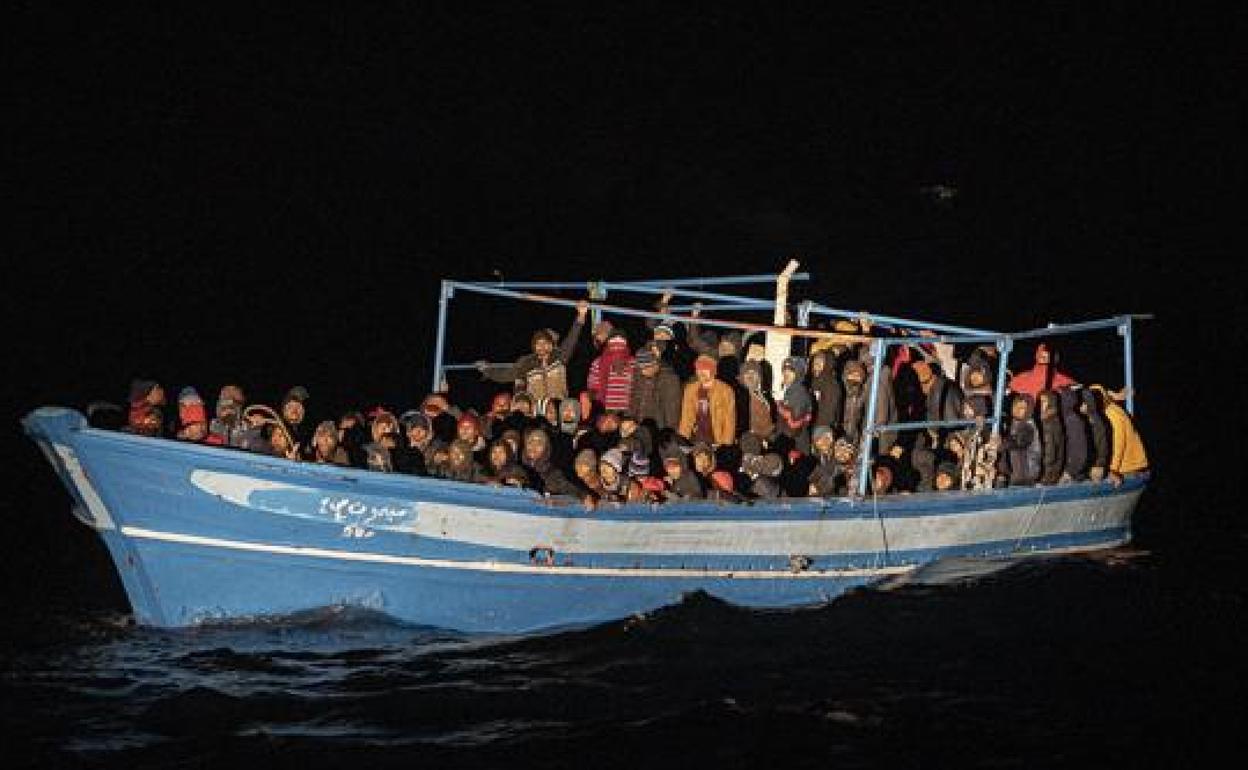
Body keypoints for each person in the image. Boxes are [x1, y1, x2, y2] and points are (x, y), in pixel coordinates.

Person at [479, 300, 589, 401]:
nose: (542, 346)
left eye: (545, 343)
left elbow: (571, 340)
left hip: (557, 408)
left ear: (551, 346)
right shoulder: (527, 363)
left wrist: (581, 316)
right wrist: (488, 370)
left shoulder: (560, 358)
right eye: (538, 344)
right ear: (534, 347)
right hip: (537, 412)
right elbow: (506, 374)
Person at [1088, 384, 1148, 483]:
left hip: (1127, 467)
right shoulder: (1106, 407)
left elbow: (1118, 444)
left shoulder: (1113, 417)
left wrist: (1113, 470)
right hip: (1122, 464)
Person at [678, 354, 736, 448]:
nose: (700, 372)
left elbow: (729, 421)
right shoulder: (690, 389)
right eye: (698, 369)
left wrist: (726, 445)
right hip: (695, 439)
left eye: (705, 369)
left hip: (717, 440)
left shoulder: (726, 391)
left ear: (712, 371)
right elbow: (686, 417)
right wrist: (682, 440)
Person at [629, 347, 682, 432]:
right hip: (639, 425)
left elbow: (672, 409)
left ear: (655, 363)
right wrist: (629, 418)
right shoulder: (638, 376)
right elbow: (633, 399)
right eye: (641, 368)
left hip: (658, 428)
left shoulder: (670, 379)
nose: (643, 372)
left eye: (646, 368)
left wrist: (670, 431)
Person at [586, 330, 635, 413]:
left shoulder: (632, 362)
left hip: (627, 410)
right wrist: (593, 398)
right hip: (605, 409)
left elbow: (638, 386)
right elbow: (592, 386)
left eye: (620, 345)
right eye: (614, 344)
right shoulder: (598, 362)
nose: (617, 348)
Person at [1008, 343, 1076, 398]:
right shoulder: (1020, 379)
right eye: (1041, 355)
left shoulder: (1065, 382)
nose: (1043, 357)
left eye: (1046, 356)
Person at [776, 356, 813, 454]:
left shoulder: (798, 393)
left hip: (796, 446)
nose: (786, 373)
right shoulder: (790, 390)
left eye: (791, 370)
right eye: (784, 369)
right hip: (792, 443)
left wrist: (778, 406)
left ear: (799, 372)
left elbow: (793, 426)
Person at [1002, 394, 1042, 486]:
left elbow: (1019, 441)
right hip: (1018, 471)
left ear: (1029, 410)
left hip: (1026, 473)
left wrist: (1002, 443)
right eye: (1017, 406)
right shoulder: (1014, 422)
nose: (1018, 410)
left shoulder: (1028, 425)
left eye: (1022, 408)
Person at [1078, 388, 1111, 482]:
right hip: (1091, 464)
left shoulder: (1095, 421)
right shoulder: (1088, 418)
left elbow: (1102, 444)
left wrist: (1099, 465)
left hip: (1095, 467)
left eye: (1082, 403)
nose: (1080, 406)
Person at [1058, 387, 1089, 482]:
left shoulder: (1073, 420)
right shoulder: (1063, 418)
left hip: (1071, 476)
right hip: (1064, 472)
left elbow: (1080, 451)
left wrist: (1069, 472)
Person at [809, 351, 843, 433]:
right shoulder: (815, 380)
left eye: (821, 361)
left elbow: (829, 412)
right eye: (815, 360)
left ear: (828, 363)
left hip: (822, 428)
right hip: (812, 425)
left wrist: (820, 430)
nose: (816, 363)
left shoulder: (830, 384)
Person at [1037, 390, 1065, 485]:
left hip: (1048, 475)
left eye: (1044, 401)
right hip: (1053, 473)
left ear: (1051, 402)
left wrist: (1044, 475)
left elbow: (1050, 451)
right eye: (1040, 401)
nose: (1041, 405)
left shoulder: (1049, 422)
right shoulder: (1054, 418)